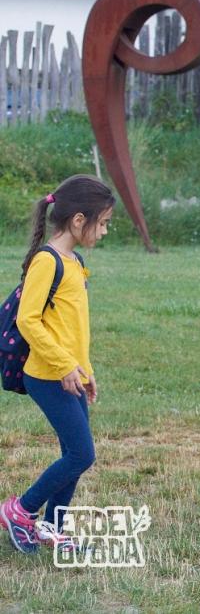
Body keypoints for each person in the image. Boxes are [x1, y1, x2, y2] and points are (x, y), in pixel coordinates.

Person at [0, 175, 115, 554]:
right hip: (47, 377)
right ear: (79, 220)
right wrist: (65, 366)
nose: (105, 231)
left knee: (74, 453)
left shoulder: (73, 260)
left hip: (68, 375)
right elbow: (28, 320)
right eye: (103, 223)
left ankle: (52, 526)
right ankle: (21, 510)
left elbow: (72, 327)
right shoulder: (46, 262)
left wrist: (84, 370)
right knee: (82, 454)